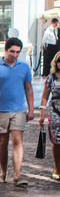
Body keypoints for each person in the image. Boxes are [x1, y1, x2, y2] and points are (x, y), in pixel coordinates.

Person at [0, 37, 34, 187]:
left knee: (17, 140)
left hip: (19, 110)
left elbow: (29, 88)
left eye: (17, 52)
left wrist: (31, 108)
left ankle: (17, 175)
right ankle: (3, 172)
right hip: (0, 110)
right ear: (5, 50)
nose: (14, 55)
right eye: (12, 51)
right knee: (3, 142)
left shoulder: (24, 67)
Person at [38, 51, 60, 181]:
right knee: (57, 141)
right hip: (55, 111)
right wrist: (42, 114)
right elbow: (45, 97)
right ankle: (57, 167)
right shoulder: (51, 78)